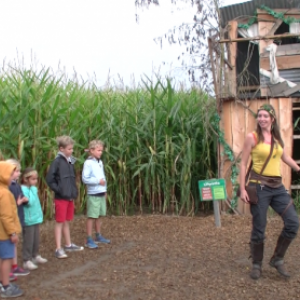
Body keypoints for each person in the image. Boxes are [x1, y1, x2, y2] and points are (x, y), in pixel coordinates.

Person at [239, 104, 300, 280]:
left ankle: (277, 258)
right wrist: (243, 188)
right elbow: (243, 164)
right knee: (259, 227)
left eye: (266, 116)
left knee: (293, 223)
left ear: (272, 119)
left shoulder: (276, 138)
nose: (262, 119)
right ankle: (257, 264)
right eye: (260, 116)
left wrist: (298, 169)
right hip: (259, 187)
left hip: (278, 188)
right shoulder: (252, 137)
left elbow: (284, 157)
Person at [46, 136, 84, 258]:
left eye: (72, 148)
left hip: (69, 196)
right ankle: (58, 248)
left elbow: (72, 177)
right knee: (59, 222)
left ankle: (68, 244)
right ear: (61, 149)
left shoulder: (70, 161)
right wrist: (59, 190)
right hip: (61, 197)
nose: (71, 151)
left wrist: (73, 192)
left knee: (66, 221)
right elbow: (50, 179)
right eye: (69, 149)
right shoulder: (57, 162)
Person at [0, 161, 24, 298]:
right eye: (10, 174)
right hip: (5, 234)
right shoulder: (5, 194)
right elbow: (6, 216)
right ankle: (6, 286)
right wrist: (12, 232)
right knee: (7, 258)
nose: (12, 177)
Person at [82, 140, 110, 249]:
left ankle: (98, 235)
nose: (100, 152)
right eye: (98, 150)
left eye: (101, 151)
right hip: (93, 193)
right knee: (92, 216)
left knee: (99, 215)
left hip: (101, 192)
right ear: (92, 150)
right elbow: (85, 178)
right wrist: (98, 182)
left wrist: (105, 190)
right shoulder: (88, 163)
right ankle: (89, 238)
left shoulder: (100, 162)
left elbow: (103, 177)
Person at [6, 159, 30, 277]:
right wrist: (18, 202)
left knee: (14, 244)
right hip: (10, 220)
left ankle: (14, 266)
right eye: (16, 171)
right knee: (8, 246)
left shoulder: (16, 185)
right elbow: (7, 207)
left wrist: (24, 200)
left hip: (18, 218)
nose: (19, 174)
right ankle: (7, 269)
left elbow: (20, 199)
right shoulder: (7, 187)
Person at [21, 167, 48, 270]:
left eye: (36, 179)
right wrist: (32, 190)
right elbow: (30, 203)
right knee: (28, 240)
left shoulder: (32, 189)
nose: (35, 181)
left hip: (35, 218)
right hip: (28, 220)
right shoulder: (24, 190)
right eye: (33, 179)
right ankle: (26, 259)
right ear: (25, 179)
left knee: (36, 239)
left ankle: (35, 255)